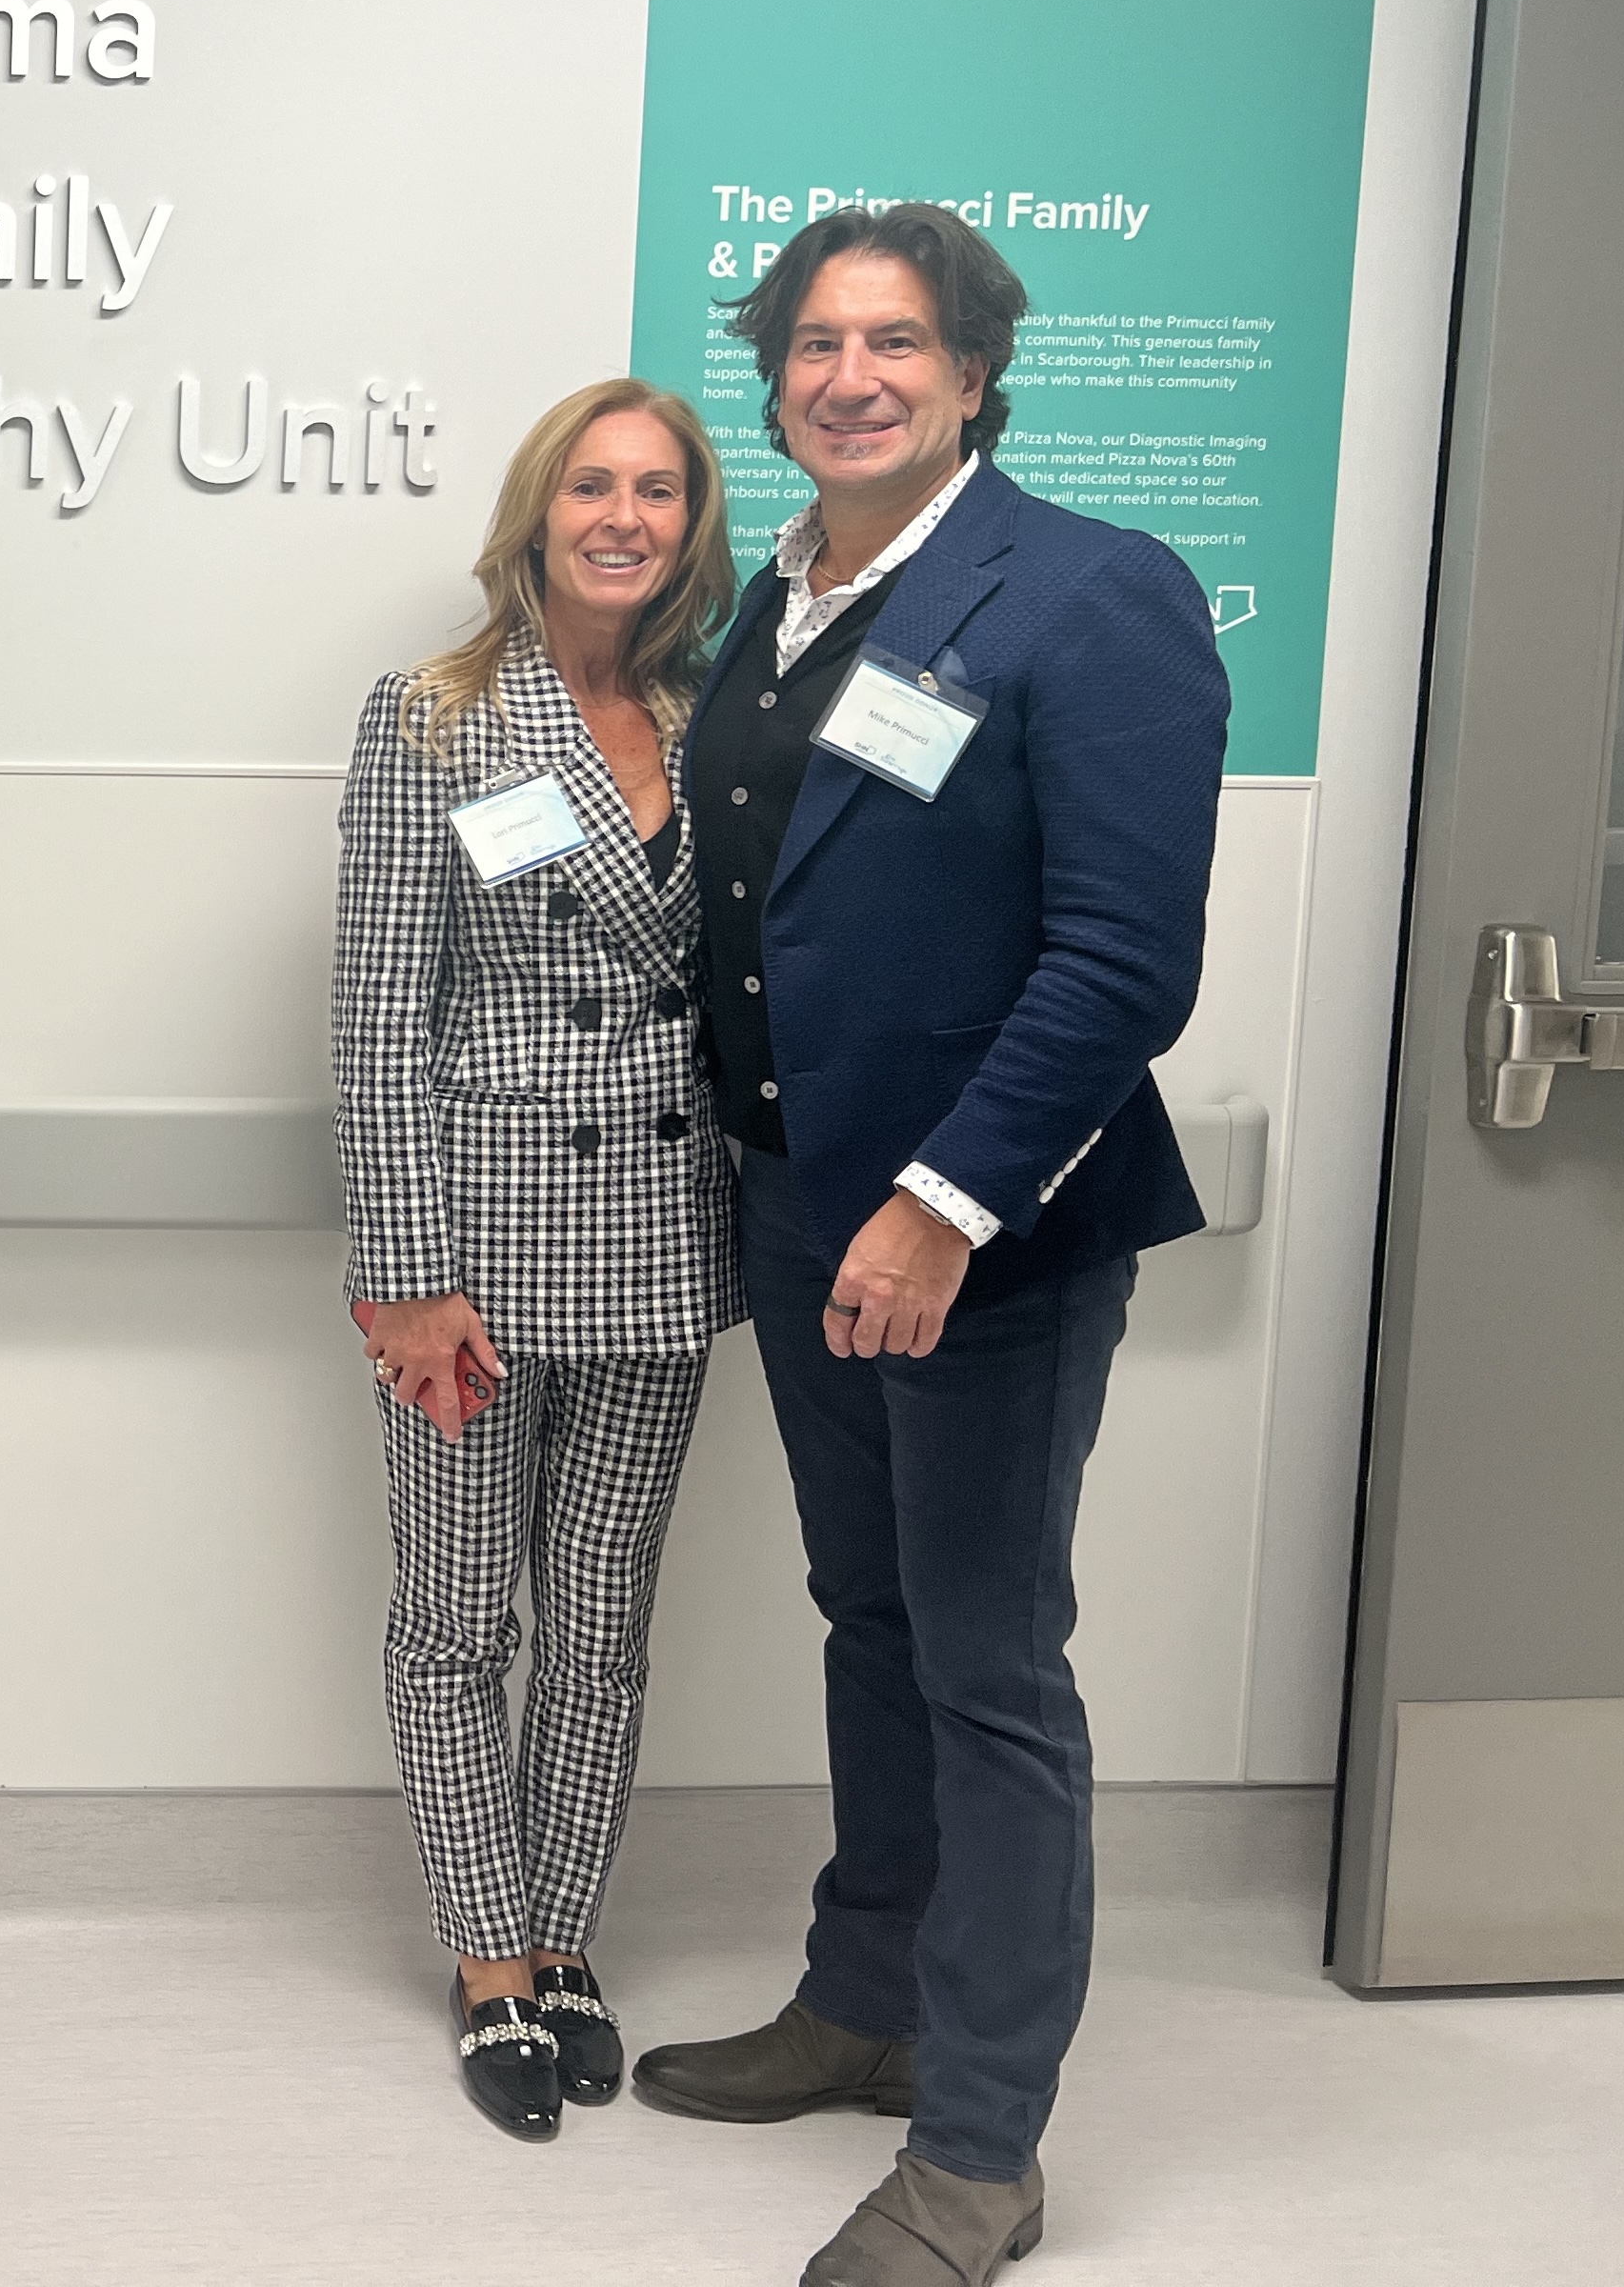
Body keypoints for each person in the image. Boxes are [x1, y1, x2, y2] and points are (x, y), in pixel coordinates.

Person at [632, 204, 1224, 2286]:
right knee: (866, 1621)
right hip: (797, 1206)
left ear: (975, 370)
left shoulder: (1088, 592)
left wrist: (942, 1199)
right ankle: (865, 2000)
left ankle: (980, 2149)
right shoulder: (779, 604)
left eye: (893, 341)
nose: (847, 374)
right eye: (811, 342)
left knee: (986, 1670)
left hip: (982, 1234)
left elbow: (1125, 958)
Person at [331, 376, 746, 2142]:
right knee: (453, 1616)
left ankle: (565, 1931)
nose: (624, 517)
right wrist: (403, 1273)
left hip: (660, 1241)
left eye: (659, 490)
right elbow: (374, 1017)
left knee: (600, 1624)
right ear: (536, 508)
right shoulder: (432, 716)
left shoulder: (719, 710)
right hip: (475, 1259)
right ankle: (485, 1952)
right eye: (593, 484)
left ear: (692, 525)